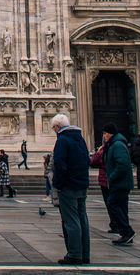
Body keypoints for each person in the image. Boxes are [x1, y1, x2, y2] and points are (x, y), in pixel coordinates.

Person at [51, 112, 91, 266]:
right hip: (81, 184)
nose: (54, 132)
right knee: (82, 219)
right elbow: (86, 160)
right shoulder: (80, 139)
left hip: (68, 186)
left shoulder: (62, 140)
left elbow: (59, 164)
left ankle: (74, 254)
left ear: (58, 127)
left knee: (71, 220)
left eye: (54, 128)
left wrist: (59, 184)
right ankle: (84, 254)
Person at [102, 123, 134, 245]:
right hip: (121, 182)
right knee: (121, 207)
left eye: (105, 134)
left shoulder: (118, 145)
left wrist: (112, 177)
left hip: (120, 183)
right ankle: (126, 234)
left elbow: (123, 164)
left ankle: (127, 231)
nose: (103, 136)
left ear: (110, 134)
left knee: (112, 204)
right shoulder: (115, 144)